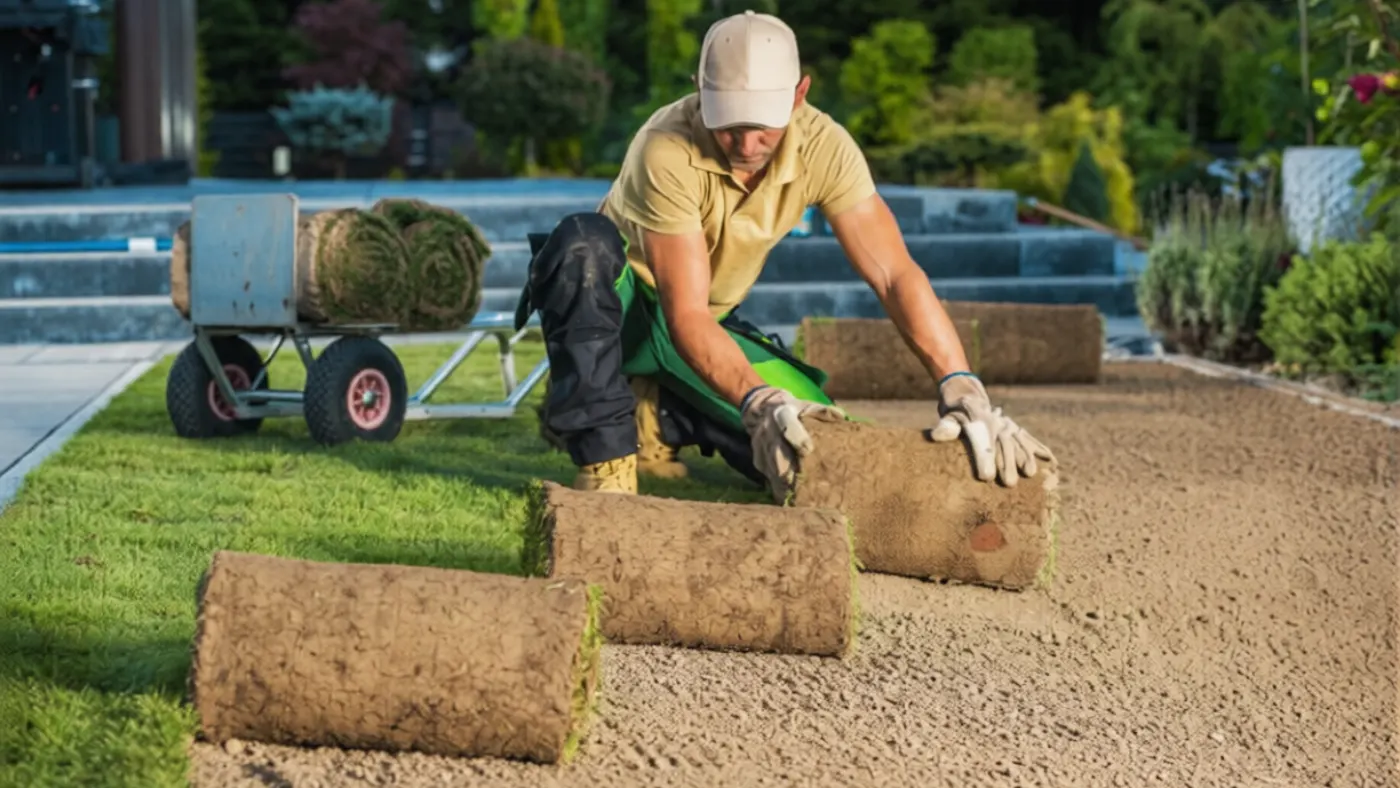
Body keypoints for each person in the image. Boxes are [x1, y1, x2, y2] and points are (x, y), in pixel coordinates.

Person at [514, 10, 1055, 499]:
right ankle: (605, 451)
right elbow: (683, 316)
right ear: (699, 89)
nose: (747, 145)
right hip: (625, 313)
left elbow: (894, 274)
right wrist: (759, 402)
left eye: (763, 127)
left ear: (799, 95)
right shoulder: (665, 148)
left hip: (708, 326)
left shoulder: (826, 146)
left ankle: (653, 412)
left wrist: (960, 384)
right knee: (581, 243)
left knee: (820, 449)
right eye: (729, 125)